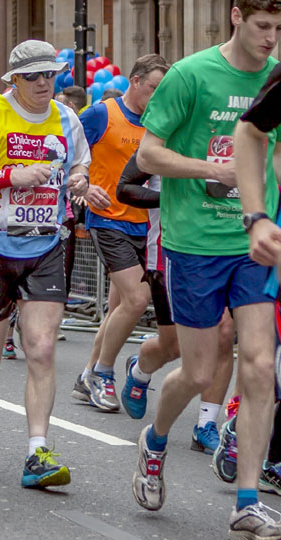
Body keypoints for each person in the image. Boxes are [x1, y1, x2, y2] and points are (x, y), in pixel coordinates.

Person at [131, 3, 281, 537]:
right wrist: (214, 168)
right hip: (193, 243)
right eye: (264, 25)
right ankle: (156, 438)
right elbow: (148, 156)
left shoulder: (277, 79)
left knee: (261, 367)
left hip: (253, 244)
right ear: (237, 16)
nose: (271, 38)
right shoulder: (190, 75)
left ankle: (245, 500)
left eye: (280, 29)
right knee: (198, 373)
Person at [0, 39, 98, 489]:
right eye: (33, 76)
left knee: (42, 349)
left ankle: (37, 453)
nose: (43, 83)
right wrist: (8, 175)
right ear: (14, 79)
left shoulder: (65, 117)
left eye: (49, 74)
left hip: (45, 246)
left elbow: (81, 167)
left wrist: (78, 181)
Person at [115, 149, 238, 459]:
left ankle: (206, 425)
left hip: (227, 249)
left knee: (224, 334)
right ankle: (141, 366)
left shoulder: (243, 131)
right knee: (174, 347)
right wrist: (173, 197)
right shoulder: (171, 134)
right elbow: (124, 187)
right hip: (170, 252)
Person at [71, 54, 169, 413]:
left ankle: (86, 376)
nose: (157, 96)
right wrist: (82, 185)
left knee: (118, 310)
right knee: (138, 300)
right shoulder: (102, 114)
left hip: (143, 224)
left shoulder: (158, 124)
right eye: (154, 88)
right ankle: (103, 374)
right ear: (135, 80)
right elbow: (69, 152)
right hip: (106, 218)